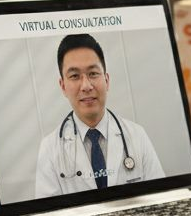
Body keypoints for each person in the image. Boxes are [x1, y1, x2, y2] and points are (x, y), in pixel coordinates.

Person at [35, 33, 164, 198]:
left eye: (93, 73)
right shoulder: (50, 149)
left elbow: (161, 199)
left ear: (107, 80)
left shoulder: (137, 135)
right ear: (63, 86)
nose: (86, 86)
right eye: (74, 76)